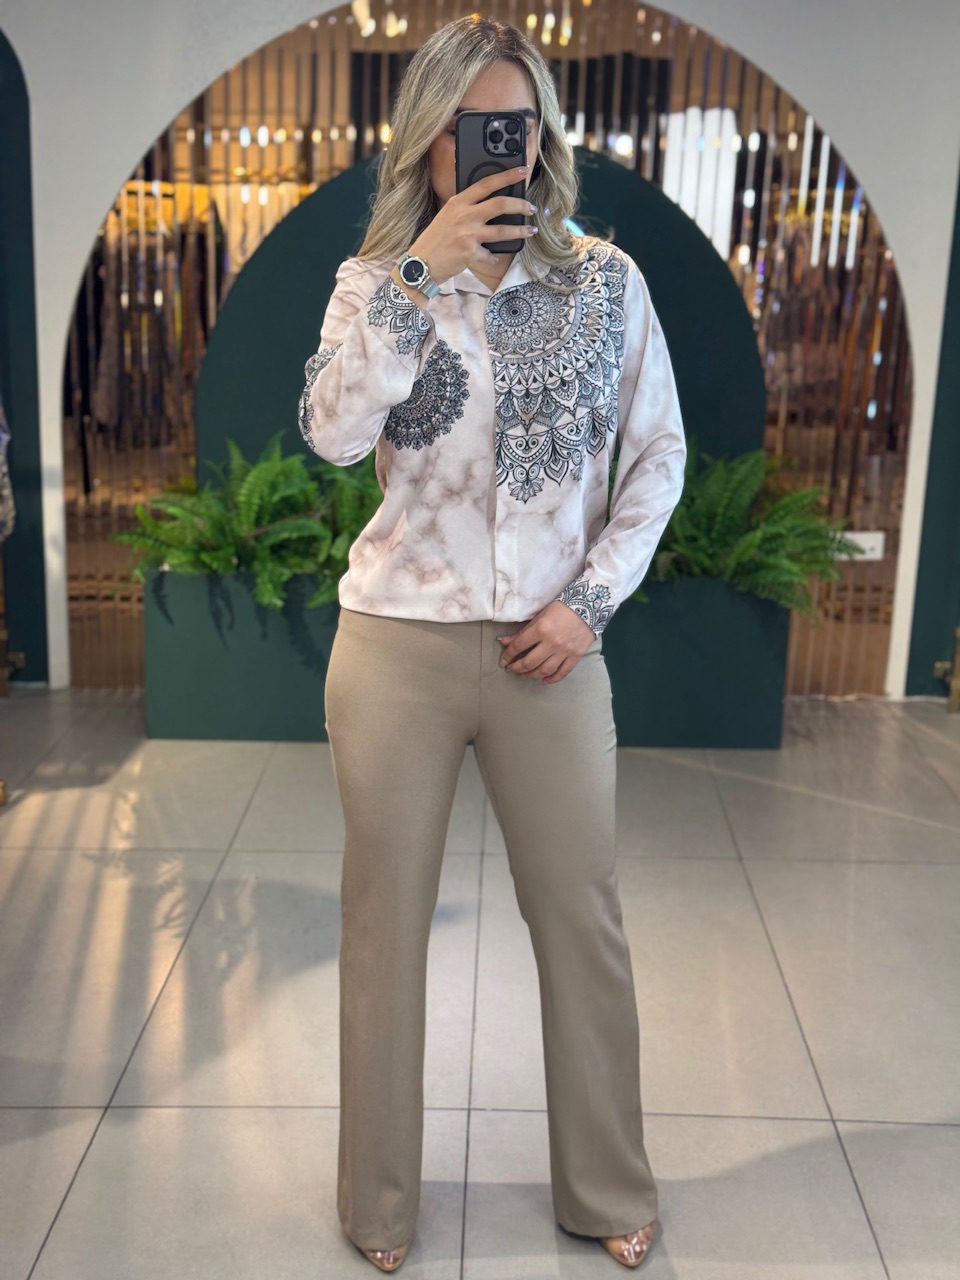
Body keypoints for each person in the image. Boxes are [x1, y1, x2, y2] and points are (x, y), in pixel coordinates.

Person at [298, 15, 686, 1273]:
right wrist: (419, 275)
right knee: (383, 928)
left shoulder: (606, 283)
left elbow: (659, 457)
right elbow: (331, 436)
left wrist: (592, 601)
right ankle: (378, 1203)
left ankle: (608, 1182)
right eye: (469, 130)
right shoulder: (375, 283)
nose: (493, 152)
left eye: (512, 128)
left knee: (583, 919)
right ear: (430, 140)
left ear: (543, 138)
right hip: (396, 648)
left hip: (552, 650)